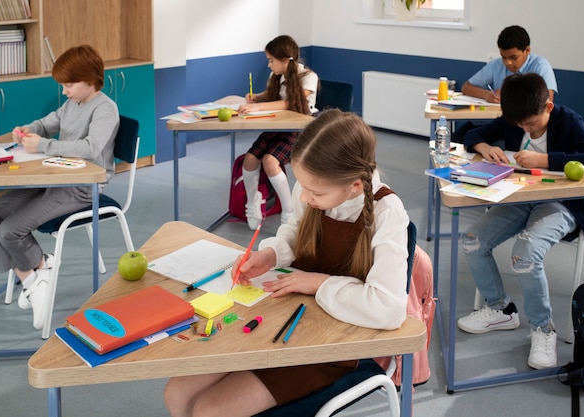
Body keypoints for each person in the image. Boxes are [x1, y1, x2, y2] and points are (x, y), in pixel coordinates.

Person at [164, 109, 410, 417]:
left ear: (355, 187)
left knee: (209, 410)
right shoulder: (315, 190)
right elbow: (295, 232)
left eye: (315, 191)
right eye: (302, 185)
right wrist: (271, 254)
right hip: (284, 316)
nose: (304, 197)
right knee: (177, 393)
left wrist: (317, 282)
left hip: (331, 342)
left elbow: (388, 308)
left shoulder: (388, 213)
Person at [457, 73, 584, 370]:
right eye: (519, 125)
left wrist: (547, 160)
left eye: (531, 124)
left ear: (548, 107)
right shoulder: (515, 118)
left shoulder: (568, 120)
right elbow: (468, 133)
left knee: (524, 253)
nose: (525, 129)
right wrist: (484, 147)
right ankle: (501, 309)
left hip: (562, 202)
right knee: (472, 239)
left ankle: (543, 328)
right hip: (518, 197)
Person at [0, 45, 119, 330]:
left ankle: (35, 275)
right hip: (52, 176)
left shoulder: (105, 109)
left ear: (90, 79)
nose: (64, 91)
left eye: (69, 84)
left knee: (10, 230)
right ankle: (35, 275)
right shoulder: (71, 104)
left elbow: (91, 149)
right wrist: (30, 130)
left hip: (82, 186)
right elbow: (46, 123)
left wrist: (42, 144)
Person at [237, 34, 318, 230]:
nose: (269, 65)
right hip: (278, 127)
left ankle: (289, 211)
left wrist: (259, 108)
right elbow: (274, 95)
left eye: (271, 60)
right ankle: (252, 202)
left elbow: (291, 102)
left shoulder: (308, 77)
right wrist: (257, 98)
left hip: (299, 129)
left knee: (270, 161)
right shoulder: (277, 76)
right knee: (249, 159)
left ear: (284, 60)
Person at [462, 25, 557, 103]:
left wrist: (509, 95)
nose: (508, 62)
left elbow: (547, 100)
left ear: (527, 50)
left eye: (514, 58)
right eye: (504, 57)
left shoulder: (541, 66)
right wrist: (486, 94)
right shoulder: (496, 65)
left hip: (527, 122)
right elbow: (466, 87)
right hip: (499, 120)